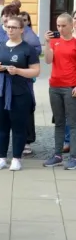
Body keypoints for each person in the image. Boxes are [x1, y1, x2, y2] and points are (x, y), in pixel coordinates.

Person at [0, 14, 40, 171]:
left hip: (19, 90)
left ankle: (16, 158)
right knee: (0, 124)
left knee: (18, 125)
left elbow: (36, 71)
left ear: (21, 30)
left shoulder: (27, 48)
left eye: (14, 27)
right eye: (8, 27)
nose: (10, 30)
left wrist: (17, 71)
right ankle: (2, 157)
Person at [43, 13, 76, 169]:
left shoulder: (75, 43)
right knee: (59, 122)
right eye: (58, 25)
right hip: (54, 86)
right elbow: (48, 60)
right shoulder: (54, 42)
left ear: (71, 25)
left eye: (63, 25)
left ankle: (74, 157)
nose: (60, 29)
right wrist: (47, 43)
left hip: (70, 86)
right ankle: (57, 155)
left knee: (73, 123)